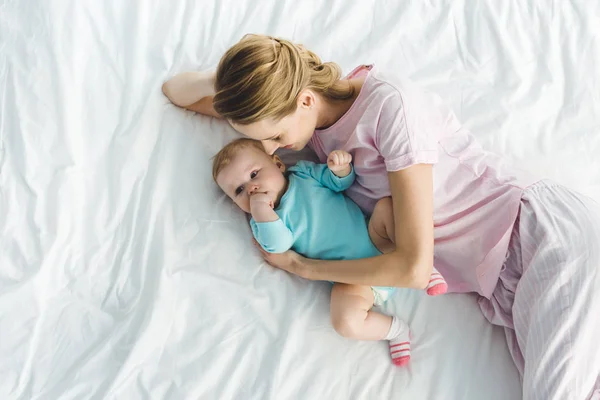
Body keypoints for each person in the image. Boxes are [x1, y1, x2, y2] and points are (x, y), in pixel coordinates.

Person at [163, 34, 600, 399]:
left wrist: (301, 266)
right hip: (500, 288)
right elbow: (176, 91)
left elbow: (412, 267)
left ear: (306, 99)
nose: (276, 151)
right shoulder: (309, 127)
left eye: (276, 136)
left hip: (538, 239)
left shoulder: (391, 109)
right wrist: (230, 79)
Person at [212, 138, 448, 366]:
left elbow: (339, 183)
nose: (251, 188)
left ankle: (424, 265)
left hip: (375, 238)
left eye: (254, 174)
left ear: (278, 164)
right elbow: (279, 245)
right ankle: (396, 331)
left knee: (386, 207)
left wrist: (340, 168)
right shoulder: (262, 222)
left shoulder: (303, 173)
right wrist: (261, 210)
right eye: (239, 190)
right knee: (345, 321)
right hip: (354, 280)